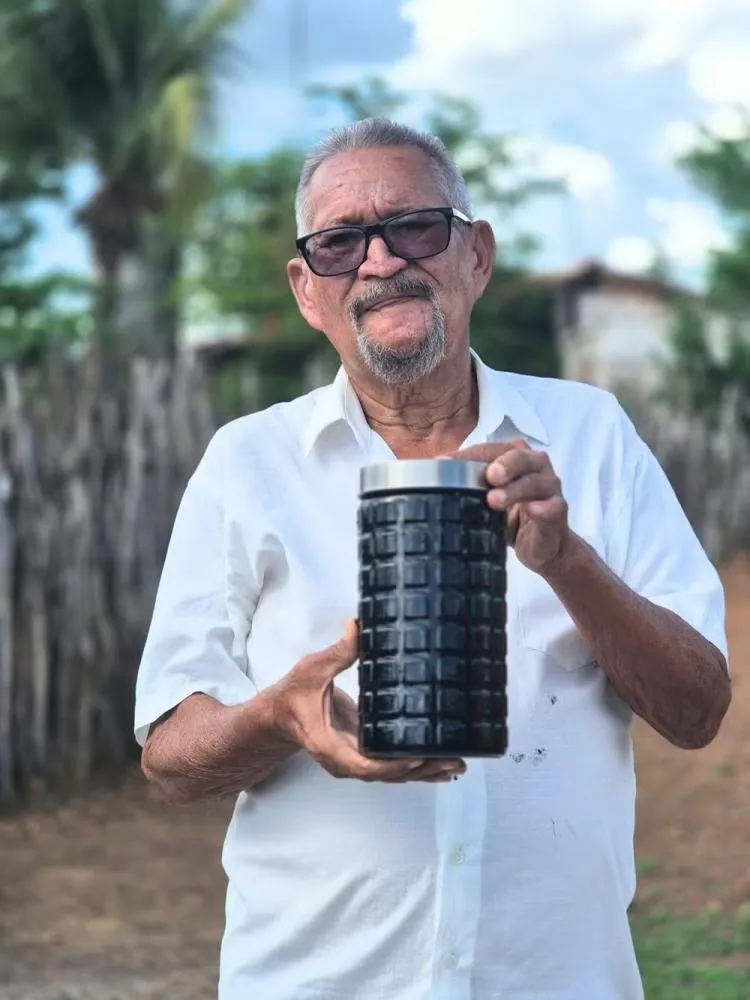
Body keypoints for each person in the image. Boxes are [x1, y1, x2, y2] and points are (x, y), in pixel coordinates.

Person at [134, 118, 731, 1000]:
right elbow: (169, 756)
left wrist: (566, 559)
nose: (378, 261)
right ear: (307, 289)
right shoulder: (246, 463)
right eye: (339, 243)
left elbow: (697, 708)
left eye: (413, 226)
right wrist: (278, 719)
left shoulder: (589, 435)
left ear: (475, 254)